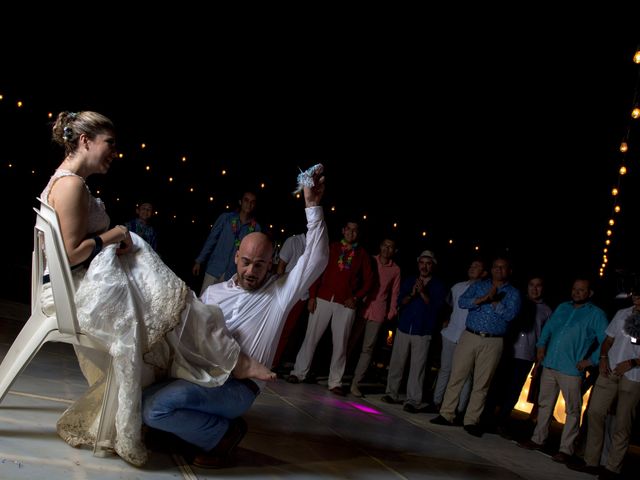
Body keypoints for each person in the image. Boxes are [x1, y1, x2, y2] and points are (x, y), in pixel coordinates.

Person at [41, 111, 273, 467]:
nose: (113, 152)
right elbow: (72, 255)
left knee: (159, 298)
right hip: (69, 291)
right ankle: (227, 359)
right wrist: (114, 235)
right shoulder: (71, 184)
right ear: (86, 141)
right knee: (164, 298)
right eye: (109, 144)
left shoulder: (70, 182)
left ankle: (192, 380)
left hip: (70, 284)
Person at [141, 164, 329, 468]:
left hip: (237, 389)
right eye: (246, 262)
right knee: (139, 400)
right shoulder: (214, 294)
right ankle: (188, 432)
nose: (252, 271)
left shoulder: (278, 295)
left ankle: (223, 435)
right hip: (201, 376)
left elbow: (317, 257)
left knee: (155, 411)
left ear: (271, 264)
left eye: (260, 264)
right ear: (235, 258)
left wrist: (312, 205)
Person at [517, 277, 608, 464]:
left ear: (590, 293)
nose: (577, 293)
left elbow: (606, 341)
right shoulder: (562, 307)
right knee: (544, 404)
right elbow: (548, 328)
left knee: (572, 410)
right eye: (575, 289)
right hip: (550, 363)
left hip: (571, 369)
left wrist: (590, 361)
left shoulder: (596, 314)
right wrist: (541, 346)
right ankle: (538, 439)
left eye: (582, 290)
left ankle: (566, 449)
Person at [431, 255, 521, 437]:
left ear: (509, 271)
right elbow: (462, 302)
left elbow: (511, 315)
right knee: (457, 375)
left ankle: (471, 420)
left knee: (482, 383)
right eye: (496, 266)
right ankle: (446, 413)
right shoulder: (479, 285)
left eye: (503, 267)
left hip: (493, 340)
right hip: (470, 334)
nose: (498, 270)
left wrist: (495, 302)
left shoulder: (513, 293)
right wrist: (481, 299)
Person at [287, 219, 374, 396]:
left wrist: (356, 298)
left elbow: (369, 280)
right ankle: (298, 372)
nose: (351, 233)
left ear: (358, 234)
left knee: (340, 344)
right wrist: (312, 296)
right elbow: (317, 271)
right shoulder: (332, 248)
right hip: (323, 298)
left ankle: (335, 382)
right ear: (343, 231)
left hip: (345, 304)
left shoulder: (362, 254)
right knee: (310, 337)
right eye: (348, 229)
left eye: (355, 230)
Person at [568, 292, 640, 478]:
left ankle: (612, 468)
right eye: (636, 296)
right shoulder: (623, 313)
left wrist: (633, 362)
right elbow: (608, 340)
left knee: (622, 422)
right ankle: (591, 461)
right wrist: (602, 358)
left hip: (634, 376)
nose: (637, 299)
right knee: (595, 412)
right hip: (610, 369)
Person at [481, 275, 552, 436]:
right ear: (526, 287)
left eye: (538, 285)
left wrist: (539, 361)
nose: (534, 289)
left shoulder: (547, 311)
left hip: (526, 355)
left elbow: (545, 337)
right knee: (496, 385)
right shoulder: (516, 302)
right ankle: (486, 418)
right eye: (531, 285)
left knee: (514, 391)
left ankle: (502, 421)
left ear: (543, 288)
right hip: (507, 349)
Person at [381, 250, 446, 412]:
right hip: (404, 327)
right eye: (422, 263)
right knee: (397, 363)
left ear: (433, 266)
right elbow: (401, 302)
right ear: (418, 264)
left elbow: (436, 308)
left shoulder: (438, 285)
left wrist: (423, 291)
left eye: (428, 263)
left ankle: (413, 400)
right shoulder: (410, 280)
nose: (424, 266)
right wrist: (412, 293)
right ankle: (391, 393)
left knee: (417, 368)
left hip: (423, 331)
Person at [430, 258, 487, 414]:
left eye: (477, 266)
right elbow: (450, 306)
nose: (472, 267)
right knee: (445, 369)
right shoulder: (457, 287)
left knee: (466, 374)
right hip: (451, 333)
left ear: (484, 272)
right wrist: (446, 319)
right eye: (471, 265)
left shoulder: (485, 290)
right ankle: (436, 401)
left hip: (468, 336)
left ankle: (460, 409)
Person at [350, 237, 401, 398]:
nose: (387, 249)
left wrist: (391, 311)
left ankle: (355, 383)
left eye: (390, 247)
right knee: (349, 342)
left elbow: (395, 292)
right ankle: (336, 376)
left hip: (378, 310)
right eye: (384, 245)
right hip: (361, 306)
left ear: (394, 251)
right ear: (380, 246)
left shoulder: (395, 270)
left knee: (368, 348)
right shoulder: (370, 260)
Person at [192, 190, 260, 295]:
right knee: (203, 302)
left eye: (253, 202)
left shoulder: (255, 228)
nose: (249, 204)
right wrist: (199, 261)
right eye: (246, 200)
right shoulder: (226, 218)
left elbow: (253, 255)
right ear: (240, 202)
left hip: (232, 276)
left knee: (221, 308)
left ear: (255, 205)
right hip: (214, 269)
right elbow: (212, 239)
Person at [271, 231, 308, 369]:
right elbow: (280, 267)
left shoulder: (316, 246)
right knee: (274, 327)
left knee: (287, 331)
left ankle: (274, 362)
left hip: (302, 296)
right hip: (286, 292)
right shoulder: (294, 241)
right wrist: (279, 291)